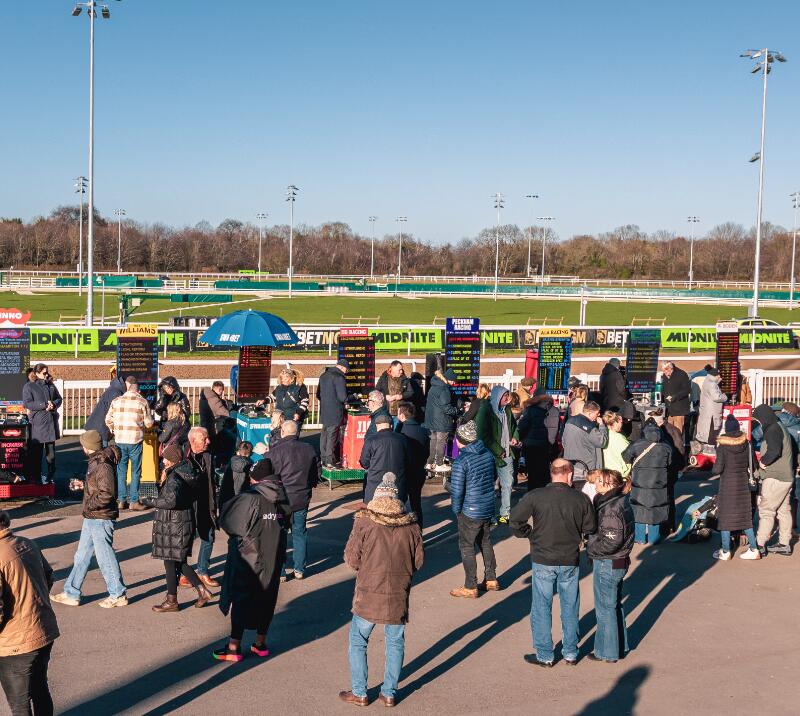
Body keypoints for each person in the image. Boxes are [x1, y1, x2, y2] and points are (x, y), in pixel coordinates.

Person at [340, 473, 424, 707]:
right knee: (395, 642)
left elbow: (351, 558)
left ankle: (360, 692)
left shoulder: (365, 522)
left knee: (358, 640)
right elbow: (418, 562)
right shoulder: (411, 526)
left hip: (368, 592)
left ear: (376, 498)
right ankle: (389, 693)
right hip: (398, 592)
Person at [509, 459, 596, 667]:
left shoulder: (536, 496)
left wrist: (530, 534)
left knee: (541, 606)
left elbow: (514, 521)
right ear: (570, 474)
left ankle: (545, 654)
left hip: (543, 557)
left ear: (552, 473)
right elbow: (590, 527)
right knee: (570, 605)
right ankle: (570, 652)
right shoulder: (581, 498)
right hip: (569, 558)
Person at [215, 458, 290, 662]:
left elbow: (228, 521)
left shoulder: (251, 498)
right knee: (268, 598)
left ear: (256, 478)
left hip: (248, 556)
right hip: (273, 556)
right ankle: (260, 643)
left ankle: (234, 647)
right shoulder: (282, 496)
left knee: (241, 599)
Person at [50, 430, 127, 608]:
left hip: (100, 516)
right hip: (94, 515)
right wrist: (84, 486)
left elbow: (107, 493)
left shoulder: (102, 464)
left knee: (104, 556)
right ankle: (71, 592)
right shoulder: (98, 461)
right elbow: (99, 487)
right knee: (82, 554)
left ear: (88, 447)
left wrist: (89, 503)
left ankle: (118, 593)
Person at [0, 511, 59, 716]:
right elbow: (48, 577)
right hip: (43, 629)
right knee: (40, 689)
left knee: (19, 704)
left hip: (15, 642)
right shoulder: (26, 543)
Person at [141, 445, 213, 612]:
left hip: (173, 523)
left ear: (172, 459)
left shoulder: (174, 477)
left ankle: (172, 600)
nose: (163, 460)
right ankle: (201, 592)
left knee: (171, 561)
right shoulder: (187, 471)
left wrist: (150, 501)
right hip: (182, 521)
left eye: (165, 458)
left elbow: (170, 501)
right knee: (178, 561)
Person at [587, 469, 634, 663]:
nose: (595, 484)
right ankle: (618, 646)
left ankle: (607, 652)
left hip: (608, 561)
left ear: (609, 484)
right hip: (618, 559)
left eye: (599, 481)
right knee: (613, 606)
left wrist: (592, 550)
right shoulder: (619, 501)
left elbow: (611, 541)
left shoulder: (612, 508)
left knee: (605, 607)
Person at [449, 420, 498, 599]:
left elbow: (457, 491)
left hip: (469, 509)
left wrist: (456, 510)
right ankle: (491, 578)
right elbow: (493, 476)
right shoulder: (487, 454)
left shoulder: (461, 461)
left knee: (467, 546)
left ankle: (470, 585)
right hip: (487, 506)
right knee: (485, 541)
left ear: (461, 440)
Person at [268, 420, 319, 580]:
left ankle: (281, 571)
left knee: (279, 534)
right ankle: (299, 569)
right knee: (299, 533)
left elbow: (268, 476)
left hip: (281, 501)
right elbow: (315, 474)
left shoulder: (275, 452)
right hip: (301, 498)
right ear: (297, 433)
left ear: (282, 432)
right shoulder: (309, 449)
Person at [711, 414, 760, 560]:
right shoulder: (747, 443)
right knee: (745, 519)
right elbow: (754, 465)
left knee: (726, 519)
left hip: (727, 486)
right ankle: (754, 548)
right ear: (738, 429)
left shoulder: (723, 446)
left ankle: (726, 551)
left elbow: (717, 469)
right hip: (743, 486)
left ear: (726, 430)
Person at [105, 376, 154, 511]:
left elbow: (108, 419)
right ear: (137, 389)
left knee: (121, 470)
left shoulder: (116, 401)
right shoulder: (142, 402)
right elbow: (149, 423)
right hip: (135, 440)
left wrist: (114, 429)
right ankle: (134, 501)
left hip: (120, 440)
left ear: (128, 387)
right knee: (136, 471)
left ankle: (121, 500)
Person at [753, 404, 796, 556]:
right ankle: (784, 544)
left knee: (766, 511)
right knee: (784, 511)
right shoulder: (778, 426)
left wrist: (763, 462)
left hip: (775, 478)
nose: (758, 422)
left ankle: (759, 545)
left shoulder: (772, 429)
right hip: (786, 477)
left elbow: (774, 450)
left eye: (757, 419)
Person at [622, 419, 672, 544]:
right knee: (655, 509)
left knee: (639, 508)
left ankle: (639, 538)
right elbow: (670, 462)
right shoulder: (666, 446)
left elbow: (625, 457)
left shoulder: (637, 444)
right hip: (659, 483)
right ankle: (653, 539)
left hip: (639, 482)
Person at [476, 386, 519, 524]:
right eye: (504, 395)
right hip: (490, 455)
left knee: (507, 484)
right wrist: (497, 450)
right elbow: (482, 434)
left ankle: (504, 515)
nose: (507, 398)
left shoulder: (507, 410)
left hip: (507, 454)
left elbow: (514, 427)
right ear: (497, 396)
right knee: (488, 487)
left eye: (508, 395)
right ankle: (488, 516)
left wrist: (515, 437)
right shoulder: (485, 410)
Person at [183, 427, 219, 588]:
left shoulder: (208, 455)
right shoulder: (182, 454)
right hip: (187, 504)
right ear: (193, 440)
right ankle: (183, 573)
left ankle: (202, 571)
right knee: (184, 540)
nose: (208, 441)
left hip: (205, 502)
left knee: (208, 536)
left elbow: (211, 480)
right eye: (204, 439)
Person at [22, 363, 62, 484]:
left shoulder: (50, 385)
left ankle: (50, 477)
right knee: (36, 455)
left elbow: (59, 398)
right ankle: (36, 477)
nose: (46, 374)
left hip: (50, 423)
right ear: (37, 373)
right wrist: (44, 405)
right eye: (44, 373)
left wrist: (53, 404)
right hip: (38, 424)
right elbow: (27, 403)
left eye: (47, 372)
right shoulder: (29, 386)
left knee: (51, 456)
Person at [359, 414, 409, 504]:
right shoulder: (402, 439)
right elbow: (409, 461)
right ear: (391, 425)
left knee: (375, 515)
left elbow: (364, 463)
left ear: (377, 426)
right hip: (398, 486)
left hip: (375, 487)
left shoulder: (371, 440)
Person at [517, 387, 559, 491]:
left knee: (532, 474)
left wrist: (522, 439)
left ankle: (532, 496)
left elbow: (522, 427)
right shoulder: (554, 410)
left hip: (531, 446)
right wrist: (550, 444)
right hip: (546, 446)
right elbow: (554, 429)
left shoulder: (530, 409)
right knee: (544, 473)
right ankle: (544, 495)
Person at [397, 402, 430, 527]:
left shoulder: (401, 431)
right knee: (416, 503)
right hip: (419, 471)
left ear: (402, 415)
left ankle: (402, 534)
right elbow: (427, 452)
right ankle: (418, 531)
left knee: (400, 503)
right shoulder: (423, 431)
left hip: (405, 472)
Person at [561, 401, 608, 488]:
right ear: (590, 413)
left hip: (569, 464)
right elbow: (602, 442)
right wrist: (602, 426)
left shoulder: (569, 421)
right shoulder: (590, 427)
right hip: (585, 467)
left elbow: (564, 442)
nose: (598, 416)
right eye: (597, 414)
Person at [424, 368, 458, 472]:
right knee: (441, 441)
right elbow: (446, 408)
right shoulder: (444, 389)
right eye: (453, 380)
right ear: (448, 379)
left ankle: (430, 463)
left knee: (433, 441)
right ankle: (439, 463)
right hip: (442, 420)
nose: (454, 383)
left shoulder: (434, 386)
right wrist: (457, 410)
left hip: (432, 419)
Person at [83, 366, 126, 445]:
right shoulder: (116, 393)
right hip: (100, 429)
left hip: (95, 426)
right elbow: (115, 413)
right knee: (102, 455)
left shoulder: (113, 389)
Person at [318, 358, 349, 468]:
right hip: (335, 411)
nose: (346, 372)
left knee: (324, 434)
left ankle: (323, 459)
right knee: (332, 436)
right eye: (346, 369)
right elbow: (342, 397)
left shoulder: (323, 376)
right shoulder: (339, 377)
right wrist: (353, 397)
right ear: (342, 367)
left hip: (324, 410)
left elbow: (318, 394)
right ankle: (330, 461)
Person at [695, 368, 726, 447]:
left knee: (707, 432)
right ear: (716, 375)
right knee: (712, 434)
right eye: (719, 375)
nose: (720, 377)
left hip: (707, 412)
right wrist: (725, 397)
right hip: (711, 414)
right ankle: (711, 450)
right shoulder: (712, 384)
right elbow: (716, 397)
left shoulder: (708, 381)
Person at [219, 441, 253, 506]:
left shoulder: (233, 461)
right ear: (250, 453)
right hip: (237, 499)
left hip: (228, 499)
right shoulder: (247, 464)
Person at [661, 361, 691, 434]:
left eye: (665, 371)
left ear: (670, 369)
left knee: (678, 433)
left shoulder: (682, 374)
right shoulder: (665, 375)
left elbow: (687, 390)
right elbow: (664, 389)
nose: (664, 373)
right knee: (670, 433)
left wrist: (674, 397)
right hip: (669, 410)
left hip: (679, 410)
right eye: (663, 371)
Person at [602, 411, 631, 479]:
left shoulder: (602, 435)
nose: (622, 425)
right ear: (616, 422)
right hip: (619, 474)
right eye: (621, 422)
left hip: (605, 472)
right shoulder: (619, 438)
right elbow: (631, 453)